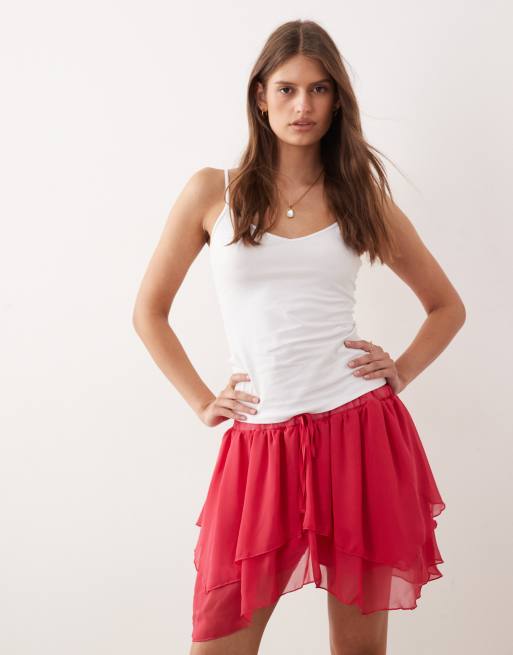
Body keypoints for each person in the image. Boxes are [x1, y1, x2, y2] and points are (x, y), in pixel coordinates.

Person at [132, 19, 465, 655]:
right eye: (287, 89)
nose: (302, 105)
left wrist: (400, 369)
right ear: (261, 96)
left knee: (358, 650)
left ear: (337, 100)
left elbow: (446, 306)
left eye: (318, 89)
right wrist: (202, 400)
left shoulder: (358, 197)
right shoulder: (213, 191)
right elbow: (149, 311)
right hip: (260, 443)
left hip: (358, 434)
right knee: (218, 643)